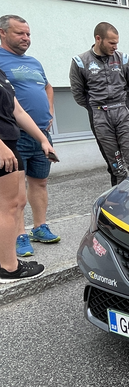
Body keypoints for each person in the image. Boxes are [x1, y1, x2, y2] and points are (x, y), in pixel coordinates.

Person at [0, 15, 60, 258]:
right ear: (2, 33)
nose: (26, 38)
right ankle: (18, 236)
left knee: (40, 182)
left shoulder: (34, 62)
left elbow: (47, 86)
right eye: (20, 33)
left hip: (40, 133)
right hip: (15, 136)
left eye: (28, 34)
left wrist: (49, 111)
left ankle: (39, 227)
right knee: (17, 196)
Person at [0, 66, 57, 282]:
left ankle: (8, 260)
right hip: (2, 145)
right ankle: (8, 267)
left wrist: (42, 139)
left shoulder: (2, 75)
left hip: (10, 141)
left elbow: (19, 112)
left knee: (18, 202)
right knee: (7, 205)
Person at [69, 22, 129, 186]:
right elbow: (78, 93)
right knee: (116, 164)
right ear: (98, 39)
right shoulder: (80, 62)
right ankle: (119, 201)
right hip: (100, 116)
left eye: (117, 43)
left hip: (123, 113)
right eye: (111, 43)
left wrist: (127, 107)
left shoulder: (123, 59)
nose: (115, 46)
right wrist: (95, 109)